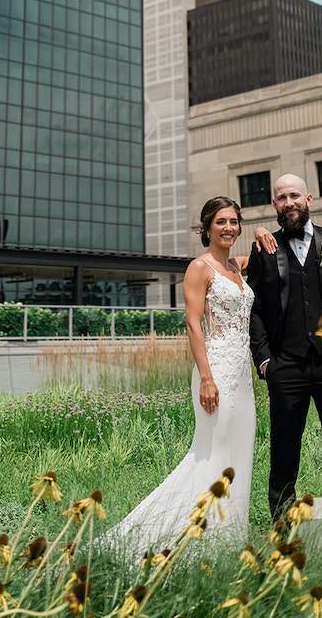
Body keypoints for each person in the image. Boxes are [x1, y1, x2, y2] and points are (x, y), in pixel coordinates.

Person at [102, 196, 263, 552]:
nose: (228, 228)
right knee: (212, 454)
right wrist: (206, 378)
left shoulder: (236, 266)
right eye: (220, 221)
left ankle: (227, 540)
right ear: (207, 227)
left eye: (234, 221)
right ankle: (178, 537)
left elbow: (267, 252)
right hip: (215, 372)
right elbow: (193, 325)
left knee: (240, 453)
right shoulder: (199, 268)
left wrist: (262, 230)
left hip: (243, 377)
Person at [247, 173, 322, 520]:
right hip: (285, 366)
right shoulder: (264, 249)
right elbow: (254, 309)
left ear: (308, 199)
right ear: (274, 204)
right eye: (282, 198)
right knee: (284, 452)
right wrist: (265, 360)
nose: (289, 203)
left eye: (295, 196)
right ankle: (283, 528)